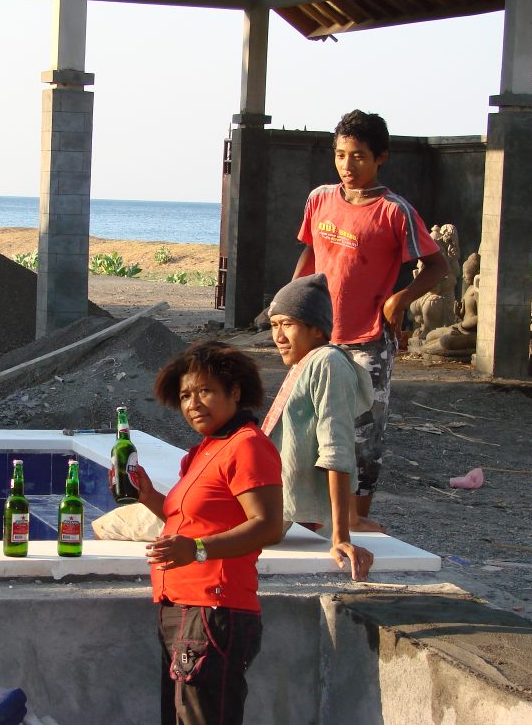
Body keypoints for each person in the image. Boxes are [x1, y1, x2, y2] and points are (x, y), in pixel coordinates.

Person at [291, 109, 447, 528]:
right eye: (340, 154)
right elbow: (310, 253)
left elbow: (437, 267)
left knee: (362, 435)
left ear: (381, 157)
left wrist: (402, 298)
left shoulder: (396, 212)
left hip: (368, 342)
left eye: (358, 156)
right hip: (320, 336)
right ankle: (312, 517)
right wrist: (291, 306)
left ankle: (356, 519)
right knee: (309, 425)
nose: (347, 165)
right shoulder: (319, 199)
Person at [131, 341, 284, 725]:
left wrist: (197, 550)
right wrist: (150, 498)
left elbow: (267, 524)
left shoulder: (247, 446)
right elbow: (192, 519)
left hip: (213, 609)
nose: (193, 403)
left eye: (205, 391)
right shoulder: (205, 450)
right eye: (185, 395)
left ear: (234, 392)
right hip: (180, 607)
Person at [263, 274, 374, 581]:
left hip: (267, 510)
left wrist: (340, 536)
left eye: (288, 324)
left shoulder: (328, 363)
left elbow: (336, 449)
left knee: (142, 524)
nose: (279, 336)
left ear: (317, 329)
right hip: (261, 498)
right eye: (274, 325)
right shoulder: (309, 360)